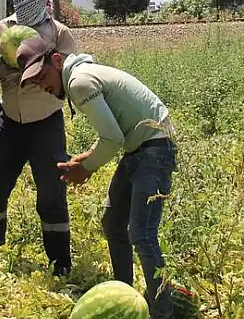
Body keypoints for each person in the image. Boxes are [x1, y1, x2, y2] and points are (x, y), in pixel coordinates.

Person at [17, 36, 178, 318]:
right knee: (114, 222)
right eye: (36, 83)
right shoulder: (82, 76)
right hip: (141, 147)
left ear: (57, 61)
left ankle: (162, 313)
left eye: (42, 76)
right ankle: (123, 296)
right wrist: (88, 156)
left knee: (142, 233)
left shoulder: (79, 83)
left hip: (153, 149)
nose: (43, 86)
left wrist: (87, 168)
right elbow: (115, 129)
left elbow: (113, 138)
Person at [0, 0, 77, 276]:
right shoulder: (2, 29)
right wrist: (2, 69)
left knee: (51, 193)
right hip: (10, 122)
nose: (23, 2)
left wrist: (40, 71)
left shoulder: (58, 33)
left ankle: (60, 264)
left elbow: (71, 74)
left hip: (46, 124)